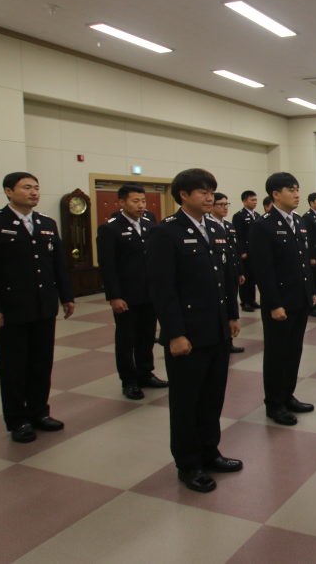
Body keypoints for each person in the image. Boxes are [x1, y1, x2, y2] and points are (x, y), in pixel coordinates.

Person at [146, 168, 243, 493]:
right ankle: (188, 464)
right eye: (202, 191)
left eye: (212, 191)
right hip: (187, 333)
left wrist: (232, 315)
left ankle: (209, 452)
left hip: (216, 330)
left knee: (212, 397)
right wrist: (174, 333)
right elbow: (163, 289)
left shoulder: (214, 228)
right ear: (183, 195)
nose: (209, 197)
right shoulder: (165, 232)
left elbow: (226, 277)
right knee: (186, 402)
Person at [0, 172, 75, 443]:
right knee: (13, 368)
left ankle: (39, 413)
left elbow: (57, 264)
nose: (34, 192)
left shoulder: (46, 223)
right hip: (11, 309)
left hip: (43, 307)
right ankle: (18, 420)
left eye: (36, 187)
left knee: (41, 364)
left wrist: (66, 296)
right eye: (27, 187)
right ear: (8, 191)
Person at [251, 173, 316, 426]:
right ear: (276, 194)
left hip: (299, 299)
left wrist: (311, 291)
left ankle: (288, 394)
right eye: (291, 190)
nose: (297, 194)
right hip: (280, 302)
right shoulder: (263, 225)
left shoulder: (298, 221)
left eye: (298, 189)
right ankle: (274, 403)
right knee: (277, 354)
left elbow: (303, 261)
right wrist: (274, 304)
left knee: (293, 351)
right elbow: (263, 270)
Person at [96, 183, 168, 400]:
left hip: (149, 293)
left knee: (146, 336)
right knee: (126, 339)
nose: (141, 205)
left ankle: (145, 373)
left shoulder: (150, 224)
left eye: (143, 201)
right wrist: (114, 296)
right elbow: (107, 266)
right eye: (135, 201)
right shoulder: (110, 229)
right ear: (121, 202)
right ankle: (129, 380)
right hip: (126, 294)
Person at [208, 193, 245, 354]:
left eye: (226, 204)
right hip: (218, 274)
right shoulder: (209, 226)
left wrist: (239, 271)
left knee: (231, 305)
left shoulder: (228, 226)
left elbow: (235, 251)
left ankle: (229, 341)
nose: (225, 208)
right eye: (221, 204)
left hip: (231, 273)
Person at [232, 190, 261, 313]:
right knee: (246, 278)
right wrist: (241, 251)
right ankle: (245, 302)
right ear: (244, 201)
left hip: (255, 253)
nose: (255, 202)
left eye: (256, 200)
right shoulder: (239, 216)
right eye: (252, 200)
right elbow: (238, 236)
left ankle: (252, 300)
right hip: (245, 253)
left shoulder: (257, 215)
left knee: (253, 278)